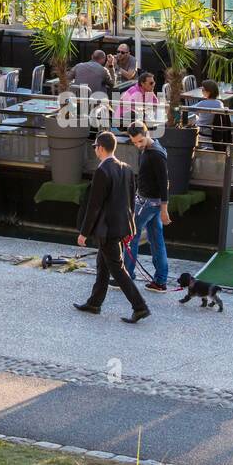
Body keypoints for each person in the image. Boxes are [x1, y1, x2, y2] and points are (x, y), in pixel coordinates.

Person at [75, 130, 150, 324]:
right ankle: (94, 303)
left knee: (117, 269)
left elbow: (94, 206)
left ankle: (140, 307)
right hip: (121, 227)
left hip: (106, 230)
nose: (95, 151)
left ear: (100, 148)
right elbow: (131, 203)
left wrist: (84, 233)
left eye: (95, 148)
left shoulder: (102, 171)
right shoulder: (126, 168)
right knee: (103, 265)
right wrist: (130, 228)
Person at [125, 124, 171, 293]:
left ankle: (126, 275)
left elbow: (164, 182)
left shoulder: (156, 154)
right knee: (156, 240)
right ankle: (160, 281)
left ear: (146, 134)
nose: (138, 145)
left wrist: (165, 209)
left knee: (130, 235)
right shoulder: (152, 148)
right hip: (150, 201)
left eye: (140, 141)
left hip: (148, 203)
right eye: (134, 142)